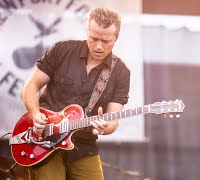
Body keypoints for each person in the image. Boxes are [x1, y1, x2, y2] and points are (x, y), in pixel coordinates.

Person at [21, 8, 130, 179]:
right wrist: (35, 114)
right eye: (93, 38)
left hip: (84, 146)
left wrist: (104, 127)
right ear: (87, 31)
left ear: (116, 39)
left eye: (106, 41)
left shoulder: (121, 72)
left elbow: (112, 120)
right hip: (44, 140)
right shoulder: (62, 50)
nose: (99, 46)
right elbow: (31, 86)